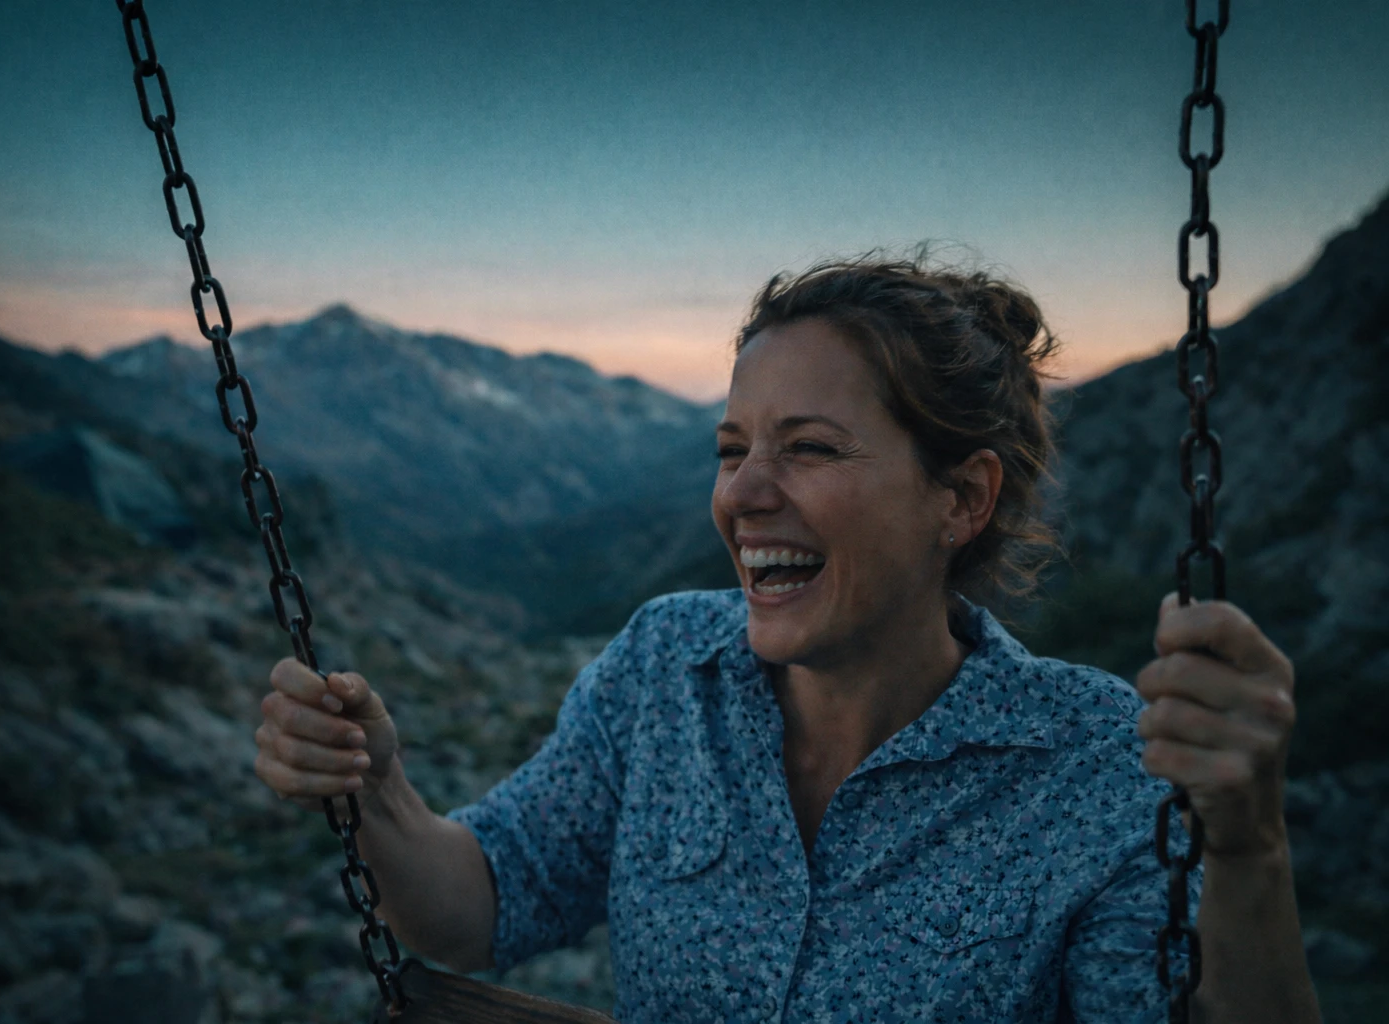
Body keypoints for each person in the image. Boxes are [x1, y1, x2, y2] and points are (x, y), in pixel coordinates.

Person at [252, 256, 1321, 1023]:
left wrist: (1249, 848)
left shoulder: (1097, 763)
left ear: (961, 499)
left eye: (808, 448)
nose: (744, 495)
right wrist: (377, 791)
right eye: (732, 449)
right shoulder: (665, 665)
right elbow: (481, 903)